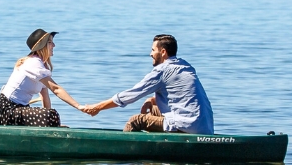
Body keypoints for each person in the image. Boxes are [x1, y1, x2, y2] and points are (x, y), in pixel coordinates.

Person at [82, 34, 214, 134]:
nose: (150, 54)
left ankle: (126, 157)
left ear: (162, 52)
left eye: (153, 50)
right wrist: (151, 101)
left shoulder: (162, 71)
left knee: (137, 120)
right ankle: (158, 159)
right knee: (154, 110)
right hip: (204, 126)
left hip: (186, 125)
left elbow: (131, 95)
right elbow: (180, 97)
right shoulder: (186, 66)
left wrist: (98, 107)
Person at [0, 29, 86, 127]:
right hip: (4, 110)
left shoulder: (42, 66)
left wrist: (51, 124)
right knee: (51, 115)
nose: (54, 45)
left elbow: (45, 97)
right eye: (50, 43)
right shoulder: (34, 63)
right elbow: (56, 89)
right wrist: (79, 106)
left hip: (17, 109)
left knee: (51, 114)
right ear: (42, 46)